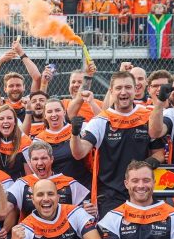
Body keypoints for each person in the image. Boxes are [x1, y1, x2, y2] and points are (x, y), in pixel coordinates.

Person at [70, 71, 165, 217]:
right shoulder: (101, 121)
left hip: (141, 191)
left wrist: (150, 163)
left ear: (135, 89)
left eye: (128, 87)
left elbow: (159, 153)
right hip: (110, 194)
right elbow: (79, 153)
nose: (123, 92)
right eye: (119, 88)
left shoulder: (147, 116)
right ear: (111, 91)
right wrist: (75, 134)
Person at [1, 140, 91, 218]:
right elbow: (2, 210)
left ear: (51, 159)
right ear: (29, 162)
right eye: (35, 159)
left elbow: (86, 212)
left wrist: (89, 210)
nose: (40, 163)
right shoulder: (22, 184)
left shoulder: (69, 183)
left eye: (44, 158)